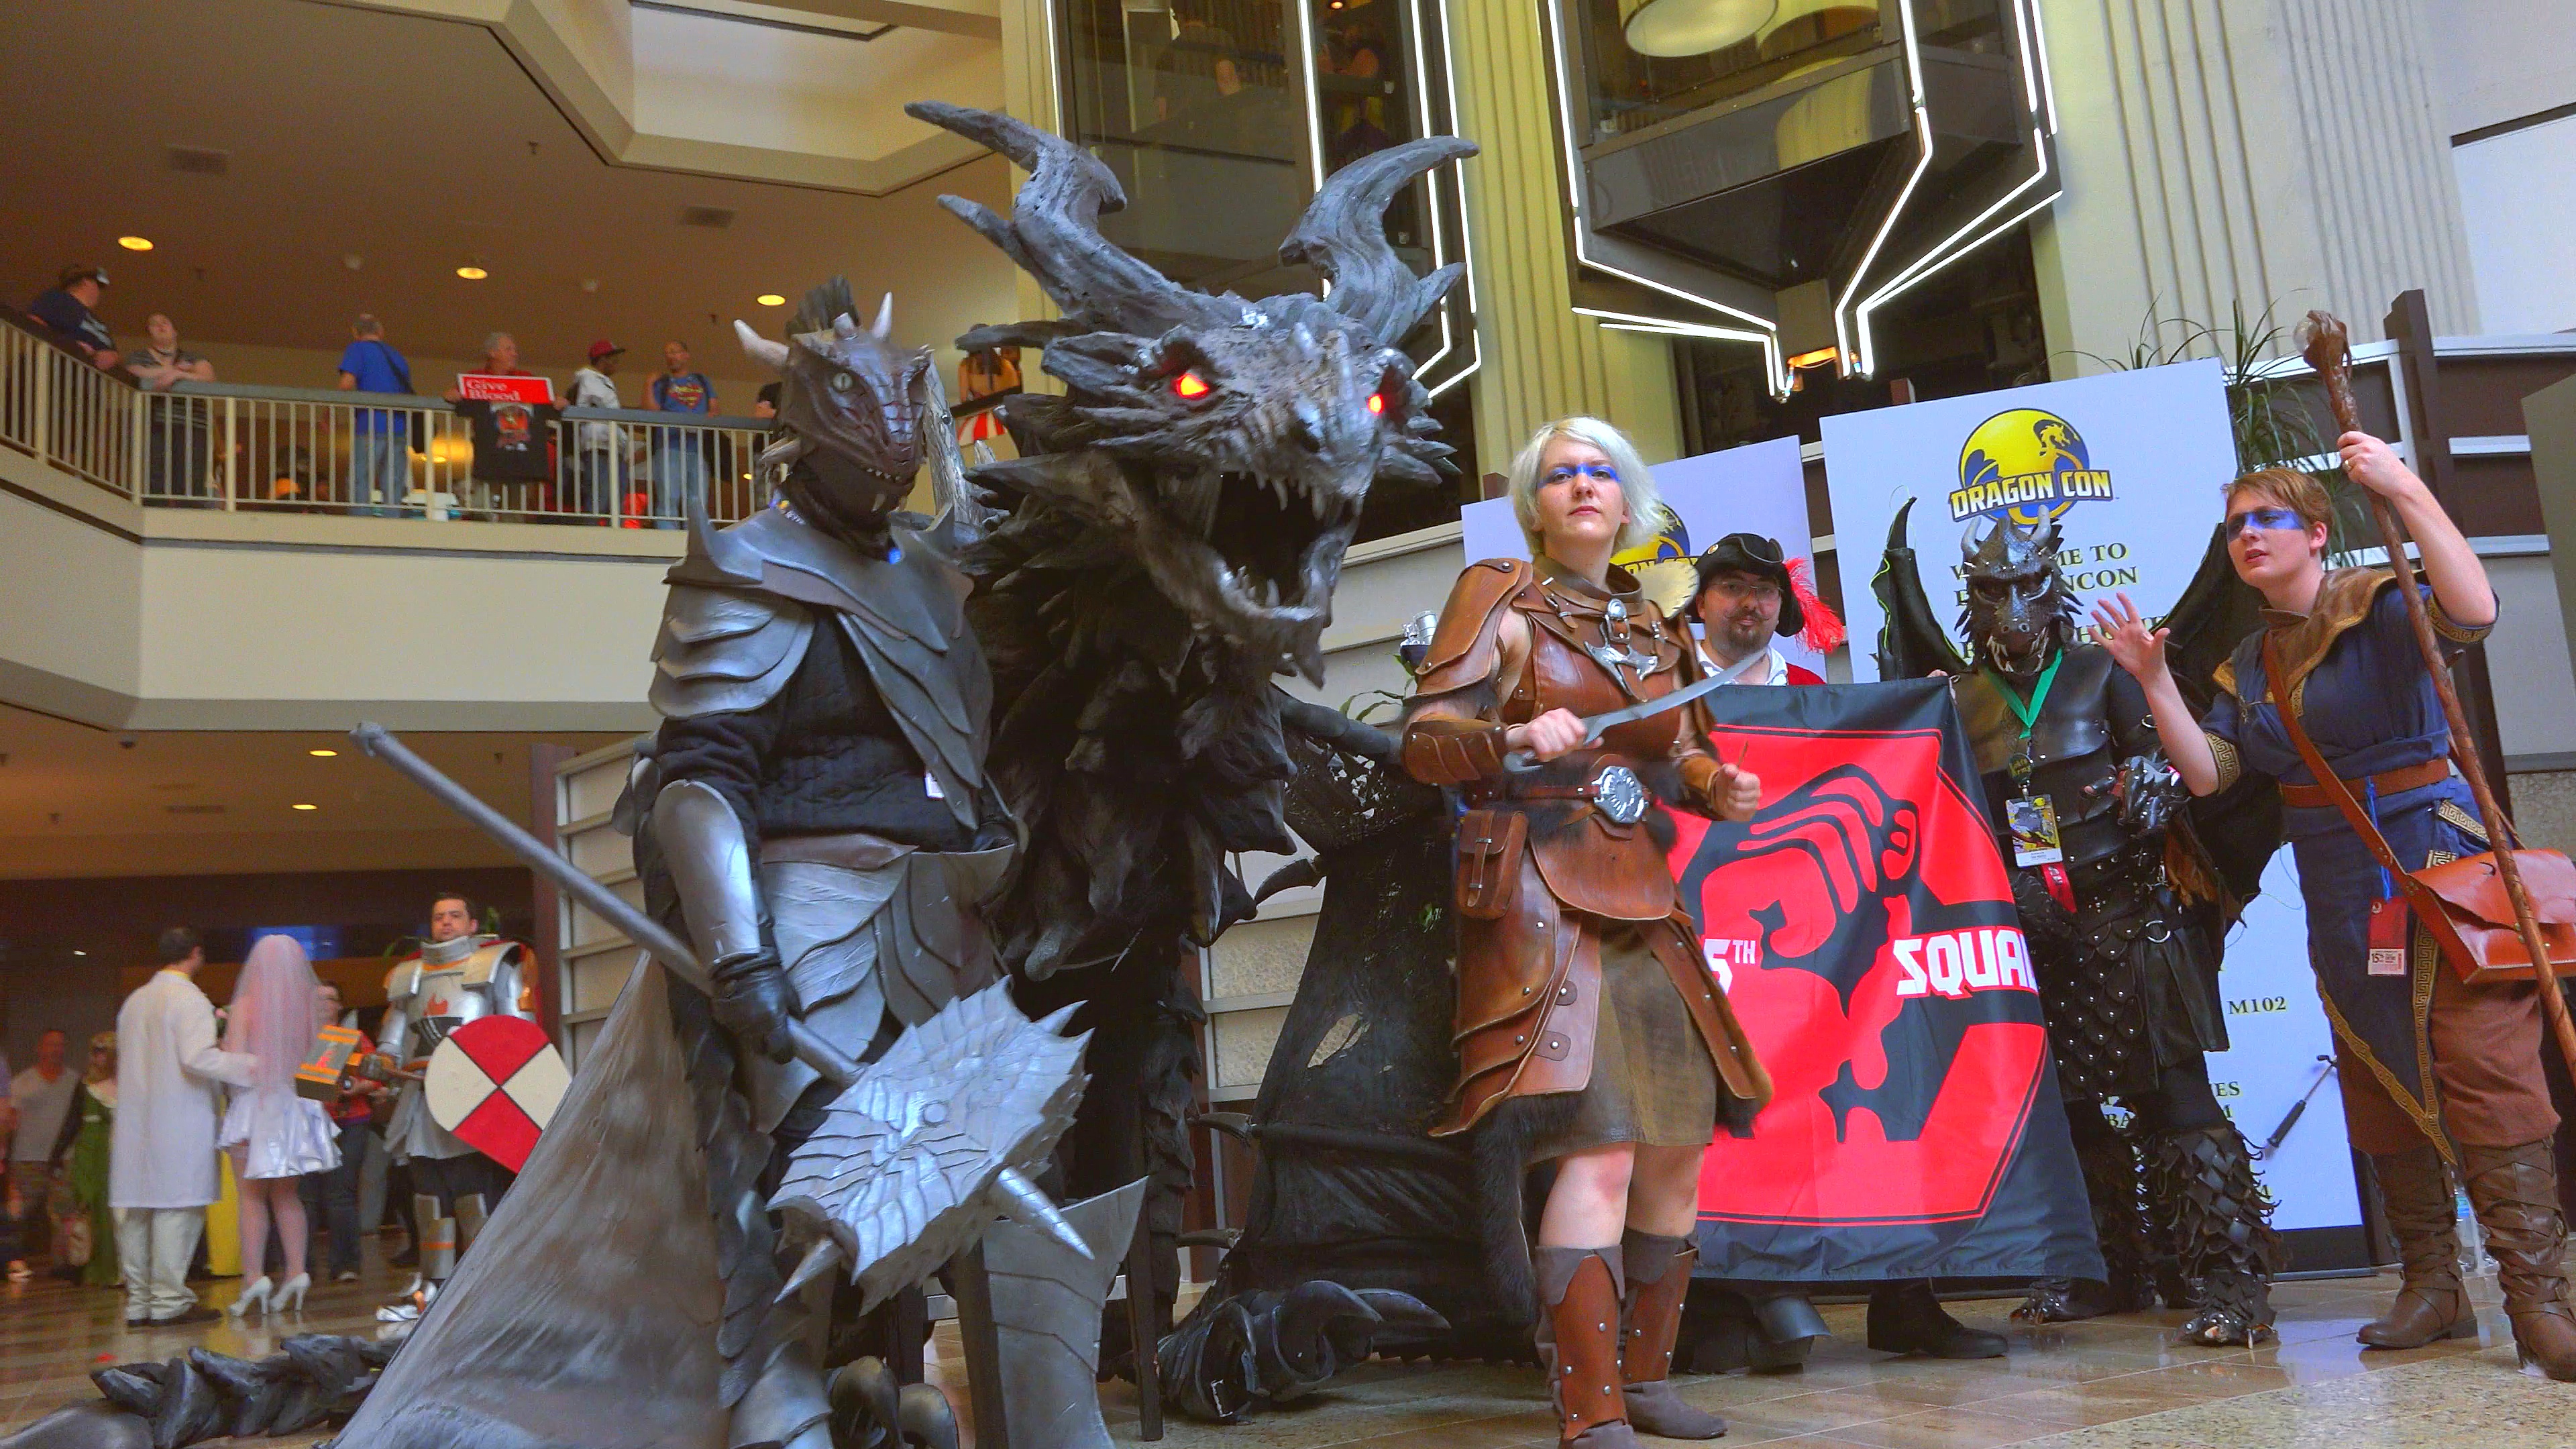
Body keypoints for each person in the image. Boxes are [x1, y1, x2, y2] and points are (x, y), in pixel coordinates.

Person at [2096, 433, 2575, 1380]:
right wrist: (2151, 681)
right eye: (2235, 526)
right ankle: (2433, 1285)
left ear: (2317, 532)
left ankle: (2538, 1300)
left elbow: (2475, 611)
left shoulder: (2379, 599)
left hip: (2438, 860)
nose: (2247, 535)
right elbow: (2210, 774)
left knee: (2487, 1066)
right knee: (2375, 1074)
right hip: (2338, 883)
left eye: (2266, 518)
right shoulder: (2250, 661)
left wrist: (2405, 489)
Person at [1400, 417, 1769, 1449]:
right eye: (1561, 474)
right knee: (1601, 1148)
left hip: (1645, 895)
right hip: (1542, 898)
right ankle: (1591, 1406)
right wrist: (1512, 733)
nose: (1583, 486)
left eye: (1601, 472)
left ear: (1627, 497)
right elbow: (1424, 743)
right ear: (1534, 503)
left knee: (1677, 1148)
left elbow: (1678, 752)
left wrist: (1716, 785)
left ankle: (1644, 1382)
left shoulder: (1651, 623)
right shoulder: (1500, 596)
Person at [360, 891, 533, 1322]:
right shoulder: (410, 974)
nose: (447, 923)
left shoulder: (495, 965)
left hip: (476, 1099)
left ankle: (486, 1286)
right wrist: (381, 1062)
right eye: (439, 917)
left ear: (473, 924)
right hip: (421, 1099)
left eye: (456, 916)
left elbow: (518, 1036)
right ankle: (435, 1284)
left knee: (475, 1195)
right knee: (429, 1197)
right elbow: (393, 1040)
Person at [110, 927, 258, 1328]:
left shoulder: (135, 1001)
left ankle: (139, 1301)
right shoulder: (189, 998)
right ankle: (169, 1300)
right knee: (178, 1206)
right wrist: (253, 1065)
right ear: (196, 953)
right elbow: (198, 1057)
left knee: (138, 1209)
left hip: (137, 1118)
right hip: (179, 1116)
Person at [217, 936, 340, 1316]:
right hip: (295, 1107)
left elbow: (235, 1064)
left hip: (255, 1107)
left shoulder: (245, 1006)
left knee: (251, 1198)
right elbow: (322, 1065)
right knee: (288, 1197)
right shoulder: (309, 1008)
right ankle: (297, 1272)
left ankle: (254, 1278)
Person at [308, 980, 379, 1283]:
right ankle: (302, 1268)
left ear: (339, 1005)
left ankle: (346, 1264)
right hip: (308, 1126)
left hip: (350, 1122)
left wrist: (356, 1088)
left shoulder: (355, 1038)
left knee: (341, 1195)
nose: (324, 1005)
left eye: (330, 999)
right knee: (305, 1197)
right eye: (318, 999)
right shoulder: (298, 1039)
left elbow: (378, 1076)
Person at [46, 1033, 120, 1289]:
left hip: (122, 1156)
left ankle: (127, 1270)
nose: (98, 1057)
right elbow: (72, 1122)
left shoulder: (132, 1083)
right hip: (92, 1158)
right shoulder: (86, 1086)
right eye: (95, 1051)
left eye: (103, 1051)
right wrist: (56, 1155)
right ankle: (99, 1270)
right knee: (94, 1210)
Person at [127, 313, 217, 503]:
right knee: (154, 475)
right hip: (154, 423)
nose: (160, 326)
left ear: (175, 331)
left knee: (192, 479)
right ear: (149, 332)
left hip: (193, 423)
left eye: (165, 322)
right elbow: (137, 373)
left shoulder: (193, 357)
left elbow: (208, 378)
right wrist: (178, 370)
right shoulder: (139, 356)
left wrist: (178, 375)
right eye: (154, 324)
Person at [336, 314, 417, 517]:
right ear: (381, 332)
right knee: (393, 481)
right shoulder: (396, 356)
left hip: (370, 424)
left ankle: (360, 521)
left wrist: (328, 413)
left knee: (360, 477)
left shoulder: (357, 349)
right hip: (398, 426)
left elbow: (346, 385)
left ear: (356, 333)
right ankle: (392, 521)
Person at [9, 1028, 78, 1263]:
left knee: (65, 1213)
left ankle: (64, 1264)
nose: (55, 1050)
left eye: (59, 1045)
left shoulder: (75, 1082)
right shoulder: (21, 1082)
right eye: (50, 1045)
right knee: (21, 1214)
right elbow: (10, 1121)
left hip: (63, 1160)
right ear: (40, 1049)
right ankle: (14, 1263)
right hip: (27, 1159)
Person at [643, 339, 716, 528]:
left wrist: (700, 423)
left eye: (675, 351)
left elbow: (714, 410)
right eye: (667, 353)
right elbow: (651, 411)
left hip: (697, 448)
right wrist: (649, 383)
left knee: (698, 500)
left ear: (686, 355)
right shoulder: (663, 383)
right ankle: (668, 539)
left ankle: (697, 537)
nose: (670, 356)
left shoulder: (701, 381)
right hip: (669, 446)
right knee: (668, 497)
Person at [567, 339, 627, 521]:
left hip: (610, 445)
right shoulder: (589, 377)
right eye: (613, 358)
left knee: (614, 500)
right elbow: (609, 405)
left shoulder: (601, 380)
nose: (616, 363)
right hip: (598, 444)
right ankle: (591, 532)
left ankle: (613, 535)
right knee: (599, 496)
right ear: (602, 359)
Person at [26, 264, 119, 368]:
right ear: (86, 282)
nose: (99, 292)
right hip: (59, 369)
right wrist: (70, 346)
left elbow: (112, 351)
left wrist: (113, 357)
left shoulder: (99, 322)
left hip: (90, 375)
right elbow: (34, 324)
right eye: (98, 286)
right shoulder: (57, 299)